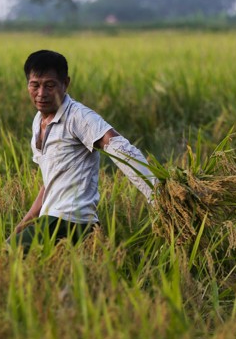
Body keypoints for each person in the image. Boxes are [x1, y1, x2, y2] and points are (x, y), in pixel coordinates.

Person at [11, 49, 157, 252]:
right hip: (53, 219)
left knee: (10, 254)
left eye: (50, 85)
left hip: (71, 220)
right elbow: (50, 183)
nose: (41, 93)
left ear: (65, 83)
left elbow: (120, 148)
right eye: (35, 85)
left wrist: (158, 193)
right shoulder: (38, 122)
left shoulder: (78, 116)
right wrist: (23, 224)